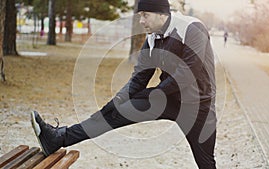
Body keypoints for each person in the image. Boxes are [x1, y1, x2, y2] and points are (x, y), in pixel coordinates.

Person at [31, 0, 217, 168]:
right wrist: (116, 101)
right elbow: (139, 78)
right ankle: (57, 138)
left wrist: (154, 94)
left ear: (162, 14)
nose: (141, 21)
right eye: (140, 16)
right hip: (168, 99)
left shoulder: (192, 29)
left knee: (205, 161)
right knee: (113, 113)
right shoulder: (152, 38)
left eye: (145, 15)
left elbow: (187, 73)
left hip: (198, 106)